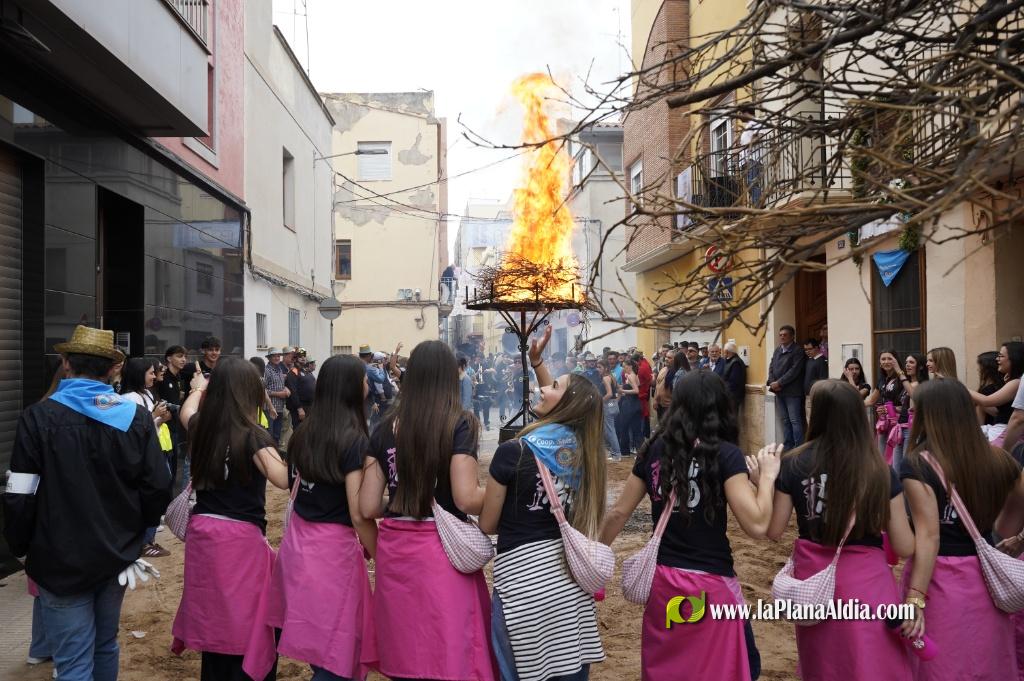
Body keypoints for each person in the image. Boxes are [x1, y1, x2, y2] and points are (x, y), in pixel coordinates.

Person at [3, 326, 171, 681]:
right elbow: (157, 485)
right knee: (105, 644)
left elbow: (19, 492)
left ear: (65, 364)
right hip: (117, 553)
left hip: (56, 557)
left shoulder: (39, 417)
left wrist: (20, 548)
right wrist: (142, 535)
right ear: (113, 369)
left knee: (74, 662)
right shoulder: (136, 418)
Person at [600, 370, 780, 681]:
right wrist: (765, 478)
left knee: (669, 667)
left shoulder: (654, 448)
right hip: (710, 588)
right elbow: (758, 524)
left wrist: (594, 556)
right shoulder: (725, 454)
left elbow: (617, 513)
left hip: (665, 585)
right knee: (738, 665)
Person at [358, 341, 494, 681]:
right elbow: (465, 498)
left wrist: (404, 494)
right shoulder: (459, 423)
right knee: (450, 654)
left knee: (406, 655)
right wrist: (502, 494)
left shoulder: (385, 425)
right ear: (450, 378)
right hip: (442, 552)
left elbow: (368, 505)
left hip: (395, 552)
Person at [479, 325, 606, 681]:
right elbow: (567, 403)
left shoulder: (511, 452)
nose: (541, 388)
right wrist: (538, 364)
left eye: (551, 387)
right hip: (568, 584)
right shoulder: (585, 454)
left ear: (563, 403)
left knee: (519, 671)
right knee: (568, 670)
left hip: (521, 587)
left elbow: (488, 525)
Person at [768, 380, 915, 680]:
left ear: (817, 414)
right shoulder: (878, 468)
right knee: (872, 663)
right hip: (868, 583)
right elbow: (904, 546)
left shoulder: (793, 463)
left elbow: (774, 530)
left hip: (814, 585)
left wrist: (762, 481)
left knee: (824, 664)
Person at [171, 357, 289, 681]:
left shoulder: (203, 427)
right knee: (247, 622)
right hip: (239, 542)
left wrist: (198, 388)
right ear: (251, 390)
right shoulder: (254, 435)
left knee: (214, 619)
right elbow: (281, 479)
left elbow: (185, 412)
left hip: (204, 536)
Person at [898, 379, 1023, 680]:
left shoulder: (918, 463)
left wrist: (915, 598)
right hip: (987, 582)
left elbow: (929, 536)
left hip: (938, 583)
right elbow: (1006, 523)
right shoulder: (999, 459)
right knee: (986, 663)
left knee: (938, 667)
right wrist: (1017, 536)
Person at [267, 355, 377, 681]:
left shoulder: (302, 434)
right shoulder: (355, 440)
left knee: (321, 640)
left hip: (298, 548)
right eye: (364, 377)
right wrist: (383, 555)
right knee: (339, 653)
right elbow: (358, 513)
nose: (368, 383)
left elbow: (294, 486)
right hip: (333, 557)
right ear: (351, 388)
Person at [121, 357, 174, 558]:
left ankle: (148, 539)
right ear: (139, 373)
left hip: (155, 449)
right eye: (151, 372)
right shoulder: (129, 398)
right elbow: (133, 430)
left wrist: (161, 417)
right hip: (142, 455)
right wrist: (153, 416)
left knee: (161, 488)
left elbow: (151, 426)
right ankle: (144, 542)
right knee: (152, 492)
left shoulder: (145, 394)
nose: (154, 376)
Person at [968, 342, 1024, 446]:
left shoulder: (1016, 382)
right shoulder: (1013, 381)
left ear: (1014, 359)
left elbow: (986, 401)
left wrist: (959, 386)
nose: (997, 359)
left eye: (1001, 356)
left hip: (1003, 433)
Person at [866, 349, 911, 466]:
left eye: (890, 358)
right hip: (883, 423)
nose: (886, 361)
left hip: (898, 424)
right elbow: (870, 400)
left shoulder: (903, 378)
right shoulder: (882, 380)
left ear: (896, 360)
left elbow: (908, 405)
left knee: (894, 460)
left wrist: (893, 409)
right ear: (880, 363)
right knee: (881, 458)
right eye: (883, 359)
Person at [767, 325, 807, 450]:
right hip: (779, 392)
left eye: (785, 335)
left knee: (795, 420)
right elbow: (771, 366)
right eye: (780, 335)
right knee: (785, 420)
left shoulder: (798, 351)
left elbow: (794, 371)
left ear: (792, 336)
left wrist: (779, 383)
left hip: (792, 392)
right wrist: (772, 382)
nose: (782, 337)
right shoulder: (778, 349)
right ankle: (788, 445)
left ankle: (798, 447)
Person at [157, 345, 189, 490]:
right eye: (179, 356)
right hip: (164, 428)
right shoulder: (163, 378)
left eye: (184, 356)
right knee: (167, 467)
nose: (183, 359)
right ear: (169, 358)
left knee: (176, 465)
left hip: (175, 427)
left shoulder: (178, 377)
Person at [359, 344, 393, 431]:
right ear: (368, 355)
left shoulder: (358, 366)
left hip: (362, 398)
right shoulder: (370, 368)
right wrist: (381, 368)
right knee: (373, 422)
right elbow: (380, 380)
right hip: (371, 399)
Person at [616, 359, 644, 457]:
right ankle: (641, 452)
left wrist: (622, 390)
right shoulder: (635, 376)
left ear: (630, 366)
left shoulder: (631, 376)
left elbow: (636, 391)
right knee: (637, 430)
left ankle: (625, 452)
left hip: (629, 405)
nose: (623, 369)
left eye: (624, 366)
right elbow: (638, 387)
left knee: (624, 427)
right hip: (636, 405)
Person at [263, 348, 290, 444]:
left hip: (279, 408)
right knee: (269, 435)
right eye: (274, 356)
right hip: (269, 409)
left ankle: (276, 455)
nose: (277, 358)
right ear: (269, 358)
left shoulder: (279, 369)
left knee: (277, 436)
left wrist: (286, 389)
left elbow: (279, 385)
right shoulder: (266, 371)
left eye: (278, 356)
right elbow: (263, 390)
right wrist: (279, 394)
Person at [286, 350, 317, 431]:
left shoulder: (306, 371)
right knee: (299, 431)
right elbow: (293, 391)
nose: (303, 358)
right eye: (300, 356)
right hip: (300, 408)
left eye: (304, 356)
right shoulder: (293, 372)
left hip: (310, 407)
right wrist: (299, 408)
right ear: (295, 359)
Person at [598, 359, 622, 462]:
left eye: (600, 367)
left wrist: (599, 401)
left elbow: (609, 394)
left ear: (606, 368)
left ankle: (616, 454)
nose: (598, 369)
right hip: (613, 406)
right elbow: (619, 390)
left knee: (610, 431)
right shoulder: (612, 377)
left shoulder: (605, 378)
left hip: (607, 406)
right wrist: (616, 401)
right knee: (610, 430)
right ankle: (614, 453)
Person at [721, 342, 747, 424]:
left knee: (732, 419)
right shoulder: (729, 361)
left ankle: (732, 436)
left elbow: (734, 381)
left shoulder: (736, 362)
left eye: (724, 351)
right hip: (729, 395)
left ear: (727, 352)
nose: (723, 353)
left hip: (733, 396)